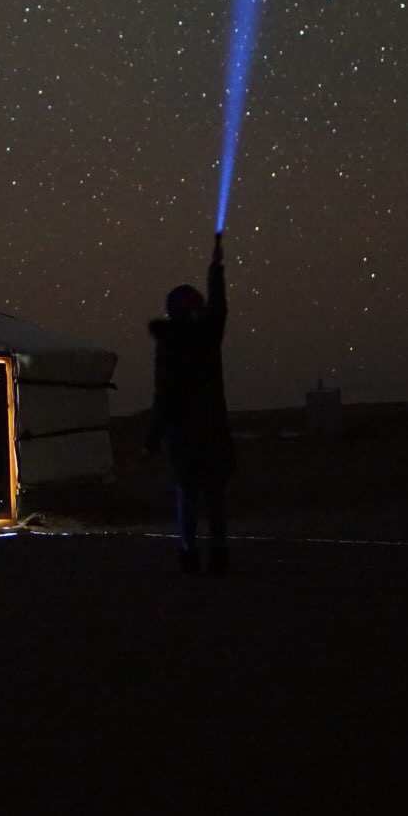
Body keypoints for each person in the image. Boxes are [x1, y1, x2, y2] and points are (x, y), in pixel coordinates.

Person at [146, 232, 235, 574]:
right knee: (213, 496)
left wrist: (153, 436)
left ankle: (189, 552)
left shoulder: (169, 345)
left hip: (183, 433)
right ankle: (218, 552)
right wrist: (216, 268)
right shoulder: (206, 339)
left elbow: (162, 394)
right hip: (209, 428)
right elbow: (220, 307)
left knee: (188, 494)